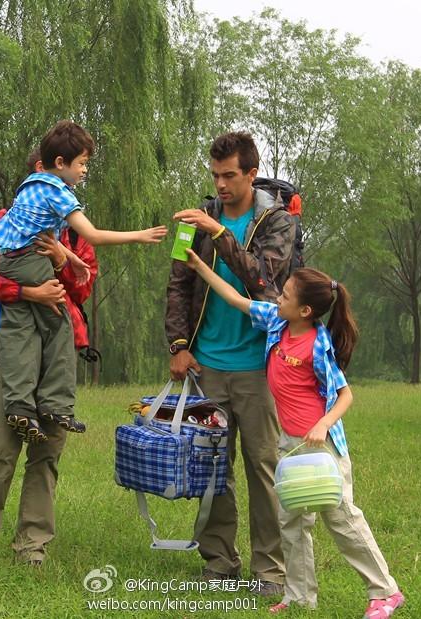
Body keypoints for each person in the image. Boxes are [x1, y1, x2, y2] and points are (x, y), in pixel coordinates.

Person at [185, 253, 405, 618]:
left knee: (341, 518)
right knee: (292, 522)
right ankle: (300, 595)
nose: (279, 299)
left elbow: (345, 394)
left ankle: (385, 591)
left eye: (286, 295)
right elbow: (237, 299)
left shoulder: (318, 345)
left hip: (322, 449)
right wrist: (200, 268)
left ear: (305, 311)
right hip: (291, 445)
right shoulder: (275, 322)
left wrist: (322, 424)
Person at [166, 132, 294, 594]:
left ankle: (271, 572)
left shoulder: (278, 221)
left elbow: (261, 276)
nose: (220, 184)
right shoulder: (197, 220)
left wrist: (219, 234)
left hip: (260, 366)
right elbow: (178, 284)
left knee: (263, 469)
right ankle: (219, 563)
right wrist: (179, 344)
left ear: (251, 174)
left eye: (229, 175)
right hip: (207, 365)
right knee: (212, 469)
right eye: (215, 175)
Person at [0, 120, 167, 442]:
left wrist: (73, 259)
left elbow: (40, 234)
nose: (84, 171)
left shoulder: (32, 184)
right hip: (28, 263)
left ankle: (19, 406)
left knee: (21, 329)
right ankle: (56, 404)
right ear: (61, 163)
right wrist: (139, 235)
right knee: (61, 322)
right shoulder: (58, 191)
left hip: (11, 260)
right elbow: (93, 235)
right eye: (82, 164)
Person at [0, 150, 98, 565]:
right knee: (3, 442)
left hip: (59, 342)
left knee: (49, 445)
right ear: (38, 175)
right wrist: (27, 292)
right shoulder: (5, 222)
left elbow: (84, 287)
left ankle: (32, 545)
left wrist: (63, 261)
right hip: (11, 341)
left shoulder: (74, 232)